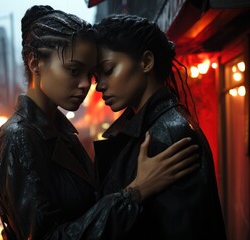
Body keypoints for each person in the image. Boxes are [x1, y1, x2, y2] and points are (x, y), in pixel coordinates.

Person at [0, 6, 199, 240]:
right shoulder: (19, 136)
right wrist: (135, 192)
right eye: (73, 70)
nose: (86, 85)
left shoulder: (61, 133)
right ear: (35, 63)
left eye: (90, 74)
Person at [93, 14, 226, 239]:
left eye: (108, 70)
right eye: (97, 76)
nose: (99, 86)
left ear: (146, 62)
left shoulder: (169, 134)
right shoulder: (147, 128)